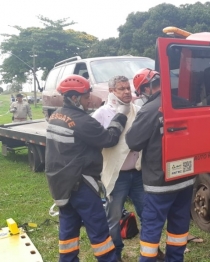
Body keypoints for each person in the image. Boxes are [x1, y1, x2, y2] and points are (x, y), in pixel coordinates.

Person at [45, 75, 129, 262]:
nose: (89, 99)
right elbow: (109, 139)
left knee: (68, 229)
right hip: (81, 184)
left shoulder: (55, 116)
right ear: (74, 98)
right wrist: (121, 115)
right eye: (85, 96)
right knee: (99, 231)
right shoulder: (82, 121)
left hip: (62, 184)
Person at [126, 68, 195, 262]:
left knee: (152, 225)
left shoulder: (150, 109)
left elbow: (134, 142)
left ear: (146, 88)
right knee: (179, 226)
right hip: (186, 177)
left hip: (160, 180)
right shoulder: (184, 103)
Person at [92, 75, 155, 262]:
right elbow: (95, 142)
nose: (127, 92)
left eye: (128, 88)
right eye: (121, 89)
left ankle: (149, 251)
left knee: (147, 215)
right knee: (113, 218)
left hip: (138, 173)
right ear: (112, 91)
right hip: (116, 176)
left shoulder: (139, 110)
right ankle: (115, 254)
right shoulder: (102, 114)